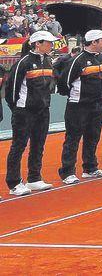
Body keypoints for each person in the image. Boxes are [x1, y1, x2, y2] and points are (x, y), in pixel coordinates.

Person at [5, 30, 56, 196]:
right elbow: (11, 89)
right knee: (19, 146)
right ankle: (14, 183)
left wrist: (44, 104)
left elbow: (49, 87)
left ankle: (34, 178)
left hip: (43, 110)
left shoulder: (48, 61)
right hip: (24, 111)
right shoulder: (23, 62)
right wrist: (18, 108)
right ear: (37, 44)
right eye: (48, 42)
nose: (51, 45)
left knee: (38, 144)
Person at [59, 29, 102, 184]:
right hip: (78, 106)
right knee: (73, 138)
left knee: (93, 136)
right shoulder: (77, 60)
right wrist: (76, 96)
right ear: (94, 42)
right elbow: (63, 83)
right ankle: (67, 172)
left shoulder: (101, 58)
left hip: (97, 104)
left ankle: (90, 168)